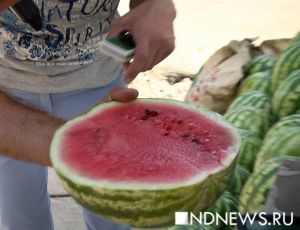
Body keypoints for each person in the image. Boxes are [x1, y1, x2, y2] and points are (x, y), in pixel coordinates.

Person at [0, 0, 176, 229]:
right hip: (8, 84)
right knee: (20, 217)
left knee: (113, 216)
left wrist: (154, 5)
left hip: (102, 79)